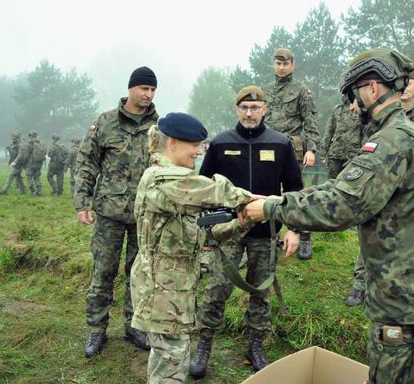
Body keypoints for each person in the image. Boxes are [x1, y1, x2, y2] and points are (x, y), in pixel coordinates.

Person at [244, 49, 414, 383]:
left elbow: (341, 206)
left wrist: (270, 208)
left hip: (408, 301)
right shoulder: (398, 133)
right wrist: (283, 198)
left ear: (372, 90)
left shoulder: (392, 141)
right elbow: (341, 186)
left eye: (353, 95)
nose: (352, 105)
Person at [130, 112, 255, 384]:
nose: (199, 152)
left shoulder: (176, 185)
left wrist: (241, 223)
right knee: (172, 364)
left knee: (168, 358)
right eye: (194, 146)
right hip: (161, 293)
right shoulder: (163, 179)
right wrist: (257, 200)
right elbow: (214, 191)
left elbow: (199, 233)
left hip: (174, 291)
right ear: (172, 143)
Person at [190, 86, 303, 378]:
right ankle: (204, 343)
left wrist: (294, 229)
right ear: (237, 110)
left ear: (265, 109)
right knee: (217, 289)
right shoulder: (220, 143)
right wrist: (206, 230)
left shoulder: (280, 143)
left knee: (261, 292)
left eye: (255, 107)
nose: (250, 113)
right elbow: (204, 187)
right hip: (228, 229)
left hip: (266, 230)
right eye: (244, 108)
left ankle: (255, 345)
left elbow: (293, 190)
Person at [346, 69, 414, 307]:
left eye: (410, 83)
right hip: (381, 181)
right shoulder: (381, 114)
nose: (405, 87)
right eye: (402, 83)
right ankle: (360, 285)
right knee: (372, 231)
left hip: (409, 189)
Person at [73, 66, 158, 358]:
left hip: (144, 215)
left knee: (139, 274)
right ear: (130, 89)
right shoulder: (106, 123)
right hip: (108, 213)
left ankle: (135, 326)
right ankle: (97, 330)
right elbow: (86, 163)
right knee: (103, 272)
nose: (148, 94)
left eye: (152, 90)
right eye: (143, 89)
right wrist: (82, 202)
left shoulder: (160, 127)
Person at [263, 47, 320, 260]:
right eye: (278, 63)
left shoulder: (301, 90)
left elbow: (310, 121)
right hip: (267, 149)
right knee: (268, 191)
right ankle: (269, 237)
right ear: (273, 64)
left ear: (292, 65)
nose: (281, 67)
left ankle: (303, 235)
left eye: (285, 63)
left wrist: (312, 149)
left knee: (295, 193)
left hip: (291, 148)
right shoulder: (265, 91)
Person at [322, 100, 362, 179]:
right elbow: (329, 131)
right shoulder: (338, 109)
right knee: (331, 183)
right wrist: (324, 153)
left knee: (349, 183)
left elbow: (366, 132)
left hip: (354, 154)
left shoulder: (361, 108)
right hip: (335, 154)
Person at [25, 132, 47, 196]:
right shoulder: (41, 144)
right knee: (37, 177)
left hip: (30, 163)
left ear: (30, 136)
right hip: (39, 164)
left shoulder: (29, 144)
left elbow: (26, 155)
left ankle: (33, 190)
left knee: (29, 177)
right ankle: (40, 191)